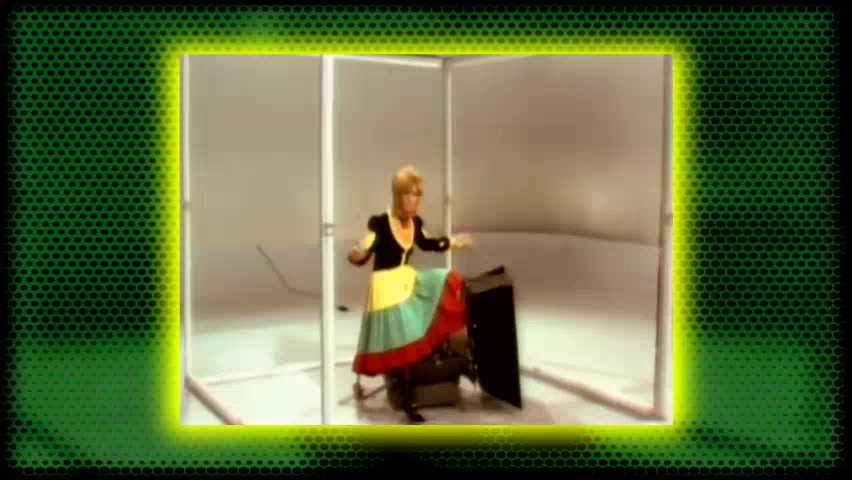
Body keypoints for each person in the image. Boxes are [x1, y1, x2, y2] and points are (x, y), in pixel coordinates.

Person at [348, 166, 474, 423]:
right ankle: (409, 404)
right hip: (386, 289)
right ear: (398, 196)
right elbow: (363, 251)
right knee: (405, 344)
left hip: (406, 280)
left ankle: (448, 369)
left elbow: (428, 244)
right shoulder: (381, 224)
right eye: (408, 194)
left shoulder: (415, 224)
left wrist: (455, 241)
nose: (413, 200)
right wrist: (356, 254)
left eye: (417, 195)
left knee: (446, 279)